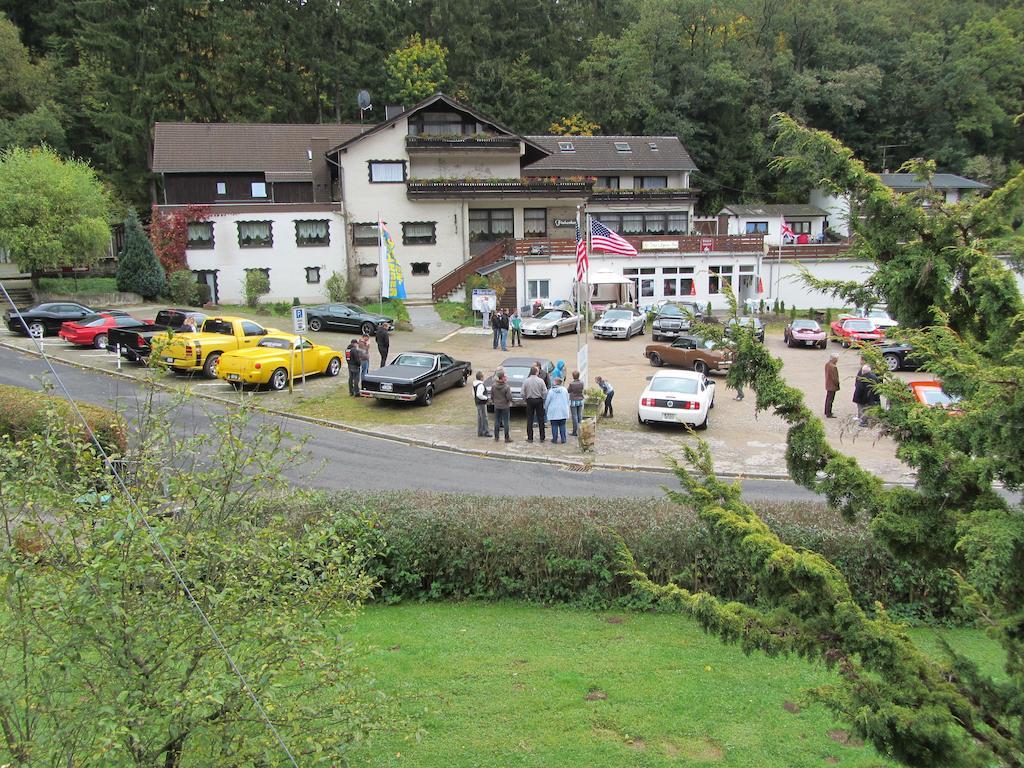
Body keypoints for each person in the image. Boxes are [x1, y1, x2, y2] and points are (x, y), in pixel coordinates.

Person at [522, 365, 548, 442]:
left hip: (530, 400)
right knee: (541, 419)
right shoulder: (540, 381)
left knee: (530, 419)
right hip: (539, 400)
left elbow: (522, 393)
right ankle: (542, 437)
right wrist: (542, 398)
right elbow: (545, 391)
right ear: (536, 372)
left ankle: (530, 438)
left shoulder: (526, 381)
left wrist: (525, 399)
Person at [545, 377, 570, 444]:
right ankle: (563, 439)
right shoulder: (564, 390)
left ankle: (555, 439)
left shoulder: (551, 391)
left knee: (554, 425)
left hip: (553, 410)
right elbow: (568, 400)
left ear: (555, 382)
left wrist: (546, 408)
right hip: (563, 410)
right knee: (562, 425)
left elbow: (547, 401)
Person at [490, 371, 513, 443]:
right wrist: (510, 401)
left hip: (497, 406)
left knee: (496, 421)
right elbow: (509, 397)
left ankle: (496, 437)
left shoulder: (494, 385)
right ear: (502, 377)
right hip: (505, 406)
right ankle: (507, 438)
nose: (506, 377)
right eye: (505, 376)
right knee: (506, 422)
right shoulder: (506, 387)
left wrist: (495, 401)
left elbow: (492, 396)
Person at [473, 370, 491, 437]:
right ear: (481, 377)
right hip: (481, 403)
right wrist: (486, 398)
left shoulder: (475, 384)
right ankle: (485, 432)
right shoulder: (481, 385)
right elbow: (479, 394)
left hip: (477, 402)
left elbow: (474, 393)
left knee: (480, 417)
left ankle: (480, 432)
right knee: (484, 417)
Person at [567, 370, 585, 437]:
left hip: (573, 400)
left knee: (574, 416)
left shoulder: (572, 384)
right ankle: (580, 430)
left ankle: (575, 431)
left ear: (573, 376)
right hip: (580, 399)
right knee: (579, 415)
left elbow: (568, 390)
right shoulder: (582, 383)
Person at [824, 353, 840, 418]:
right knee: (830, 399)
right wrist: (838, 384)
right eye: (836, 359)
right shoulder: (834, 367)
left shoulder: (827, 364)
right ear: (834, 359)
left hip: (828, 383)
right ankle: (829, 413)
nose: (837, 360)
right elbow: (835, 378)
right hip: (832, 385)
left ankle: (826, 411)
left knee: (828, 398)